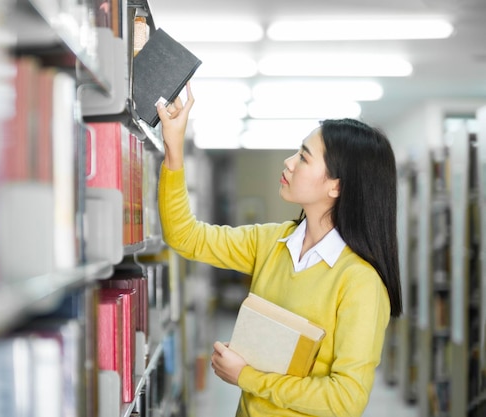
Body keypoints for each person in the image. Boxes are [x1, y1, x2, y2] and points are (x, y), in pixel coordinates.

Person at [155, 82, 403, 417]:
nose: (288, 163)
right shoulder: (270, 242)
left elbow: (345, 400)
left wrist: (247, 376)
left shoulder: (360, 282)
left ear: (336, 185)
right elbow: (185, 236)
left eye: (303, 156)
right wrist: (173, 150)